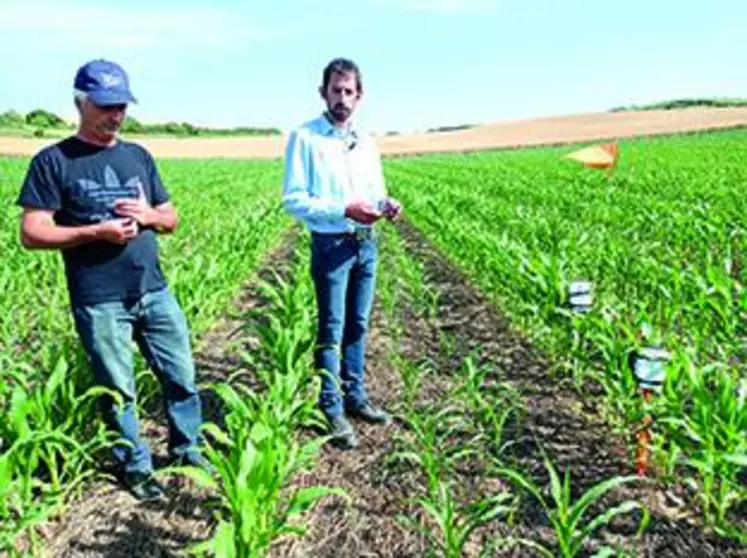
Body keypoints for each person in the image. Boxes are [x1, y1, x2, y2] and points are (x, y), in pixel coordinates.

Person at [16, 59, 205, 500]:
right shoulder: (53, 161)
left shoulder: (138, 156)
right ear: (80, 102)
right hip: (99, 297)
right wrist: (92, 232)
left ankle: (187, 448)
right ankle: (135, 466)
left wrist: (150, 216)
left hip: (153, 289)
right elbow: (32, 231)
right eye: (105, 106)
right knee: (118, 389)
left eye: (121, 105)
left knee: (181, 375)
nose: (115, 115)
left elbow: (171, 217)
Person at [282, 57, 403, 449]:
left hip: (366, 240)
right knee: (331, 328)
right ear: (323, 93)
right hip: (332, 244)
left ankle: (356, 396)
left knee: (359, 324)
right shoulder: (305, 138)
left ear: (360, 95)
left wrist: (386, 204)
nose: (342, 98)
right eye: (336, 90)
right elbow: (294, 199)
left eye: (349, 91)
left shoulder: (366, 141)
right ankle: (329, 406)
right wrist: (342, 210)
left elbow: (375, 189)